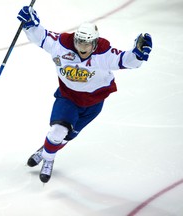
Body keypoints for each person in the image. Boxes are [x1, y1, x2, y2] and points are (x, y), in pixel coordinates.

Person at [17, 6, 152, 183]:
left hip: (93, 104)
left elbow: (127, 61)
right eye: (80, 42)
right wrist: (29, 24)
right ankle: (48, 160)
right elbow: (41, 36)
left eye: (87, 43)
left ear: (94, 43)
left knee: (67, 136)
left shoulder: (104, 54)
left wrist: (139, 55)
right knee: (58, 130)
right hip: (68, 98)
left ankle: (45, 151)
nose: (82, 46)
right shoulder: (61, 45)